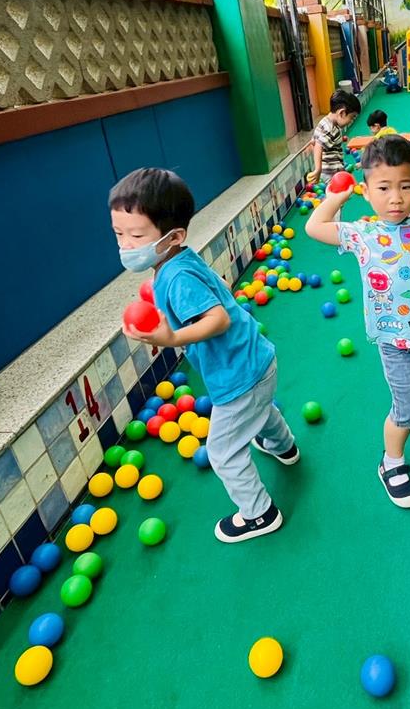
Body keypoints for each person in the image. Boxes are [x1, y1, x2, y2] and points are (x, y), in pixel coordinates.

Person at [109, 168, 298, 543]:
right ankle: (284, 446)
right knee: (260, 410)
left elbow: (218, 319)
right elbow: (220, 287)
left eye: (137, 236)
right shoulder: (179, 261)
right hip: (255, 361)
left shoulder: (176, 277)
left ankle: (259, 514)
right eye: (119, 234)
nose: (126, 245)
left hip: (238, 376)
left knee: (223, 451)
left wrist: (172, 337)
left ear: (174, 236)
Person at [305, 135, 410, 509]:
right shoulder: (363, 233)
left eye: (405, 186)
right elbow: (314, 227)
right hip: (396, 344)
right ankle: (391, 462)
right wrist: (336, 197)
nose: (396, 198)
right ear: (366, 191)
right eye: (383, 188)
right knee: (404, 407)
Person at [308, 89, 361, 185]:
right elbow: (319, 145)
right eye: (352, 117)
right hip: (330, 174)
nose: (351, 121)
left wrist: (340, 139)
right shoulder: (330, 129)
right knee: (343, 191)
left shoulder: (325, 122)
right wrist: (318, 169)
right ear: (342, 113)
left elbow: (316, 142)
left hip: (331, 171)